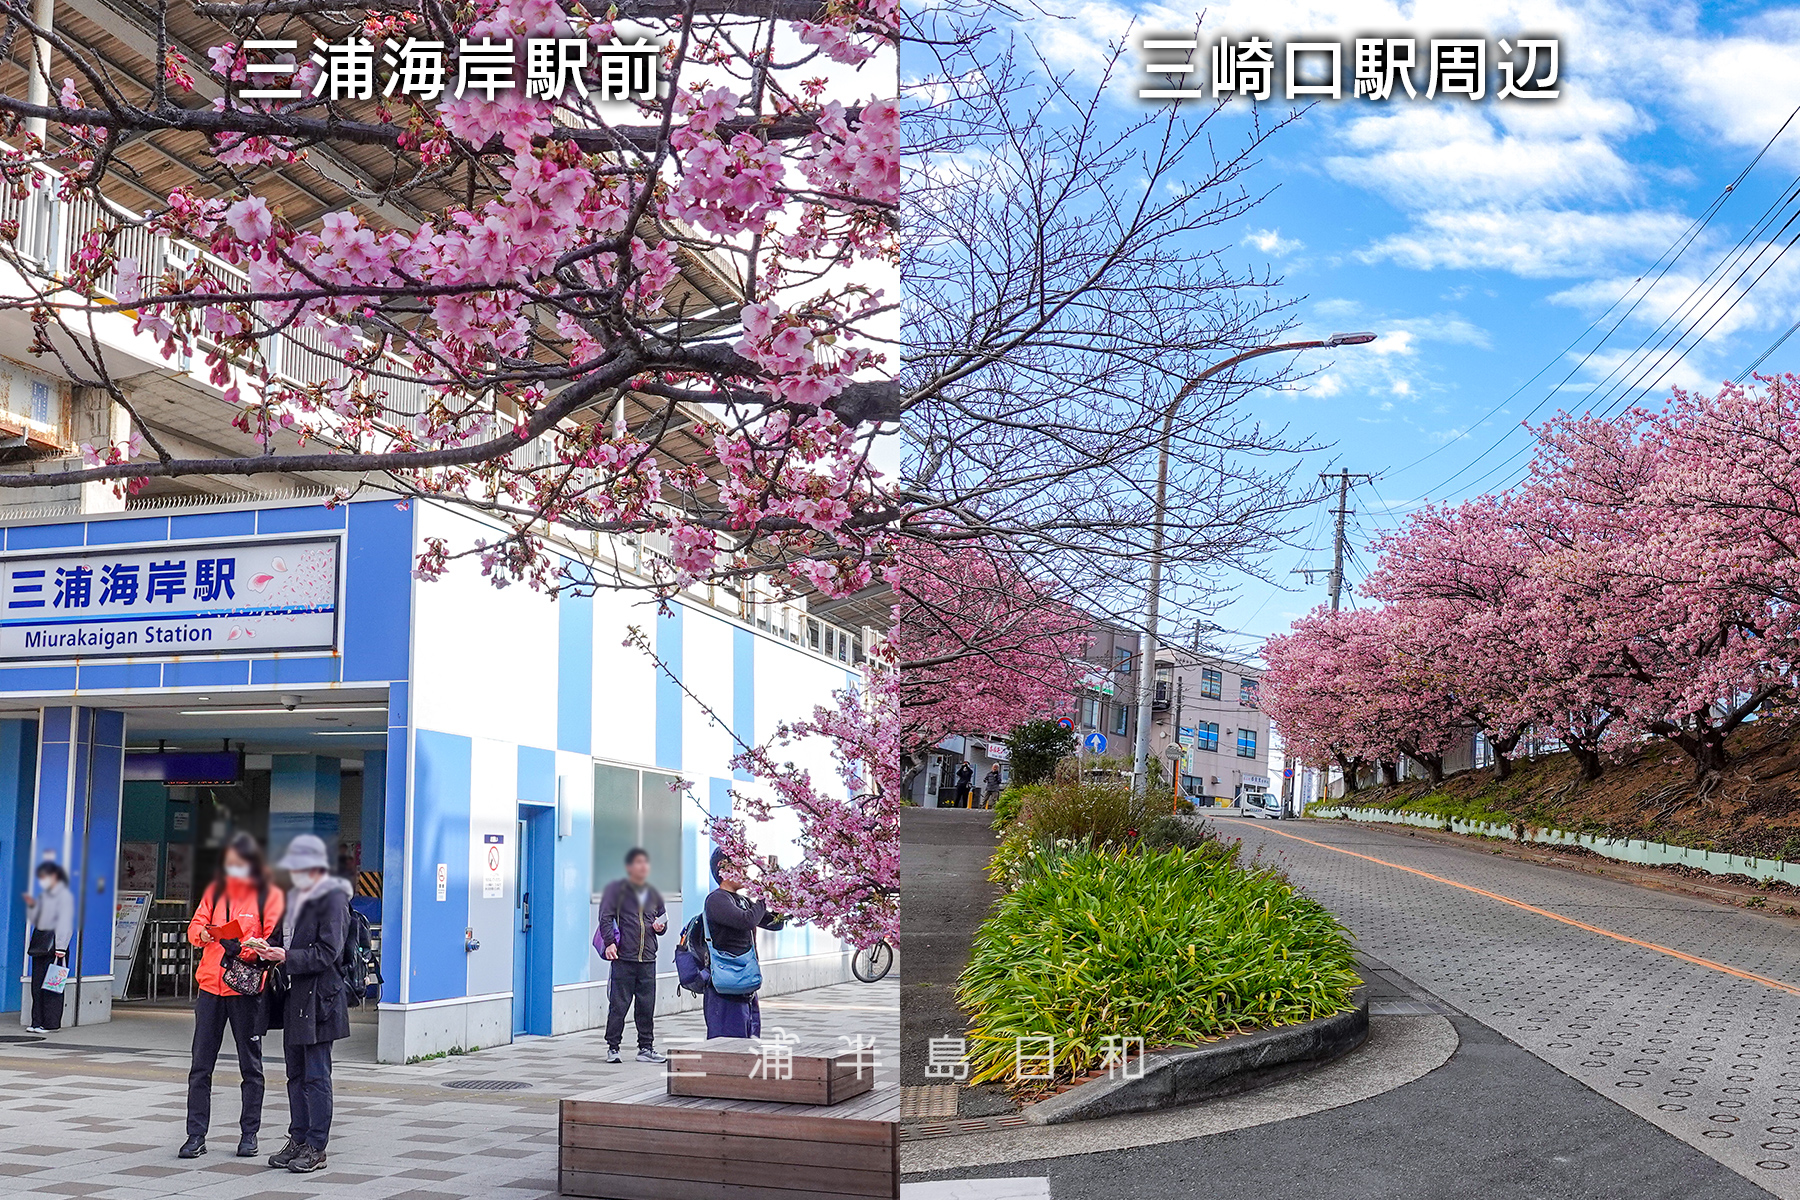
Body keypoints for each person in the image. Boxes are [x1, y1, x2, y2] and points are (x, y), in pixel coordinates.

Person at [181, 833, 285, 1160]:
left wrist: (247, 948)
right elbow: (194, 930)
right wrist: (209, 933)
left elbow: (271, 941)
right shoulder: (216, 890)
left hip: (246, 988)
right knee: (201, 1065)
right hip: (211, 986)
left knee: (250, 1065)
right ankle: (195, 1135)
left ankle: (249, 1135)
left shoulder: (270, 895)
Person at [252, 835, 351, 1175]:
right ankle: (297, 1137)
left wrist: (287, 956)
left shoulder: (332, 898)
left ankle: (316, 1146)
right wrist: (267, 948)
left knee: (316, 1075)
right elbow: (283, 940)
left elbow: (328, 952)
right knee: (295, 1073)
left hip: (321, 1000)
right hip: (295, 1000)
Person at [701, 849, 785, 1039]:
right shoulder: (716, 900)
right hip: (725, 984)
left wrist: (781, 896)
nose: (745, 872)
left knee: (749, 1041)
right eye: (739, 866)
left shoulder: (743, 901)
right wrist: (763, 896)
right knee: (727, 1043)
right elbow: (746, 921)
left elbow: (775, 923)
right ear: (722, 869)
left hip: (744, 981)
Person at [595, 847, 668, 1065]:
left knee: (646, 1006)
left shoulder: (654, 893)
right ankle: (613, 1047)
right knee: (619, 1005)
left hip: (648, 958)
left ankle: (646, 1048)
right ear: (628, 867)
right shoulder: (615, 891)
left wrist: (659, 927)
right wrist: (609, 943)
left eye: (646, 863)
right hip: (623, 957)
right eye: (638, 862)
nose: (643, 866)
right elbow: (605, 918)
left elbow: (663, 919)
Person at [22, 860, 72, 1034]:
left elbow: (65, 923)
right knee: (37, 985)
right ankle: (36, 1021)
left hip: (55, 948)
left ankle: (50, 1023)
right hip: (41, 947)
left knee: (52, 985)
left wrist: (61, 947)